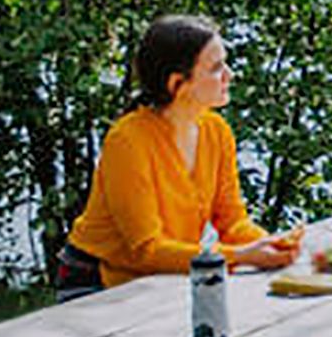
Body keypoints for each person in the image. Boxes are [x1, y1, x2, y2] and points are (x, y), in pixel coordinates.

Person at [55, 16, 300, 295]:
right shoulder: (127, 141)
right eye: (216, 68)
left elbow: (233, 223)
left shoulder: (216, 131)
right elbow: (147, 250)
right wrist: (243, 255)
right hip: (97, 281)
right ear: (177, 84)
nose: (229, 75)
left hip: (163, 276)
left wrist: (273, 245)